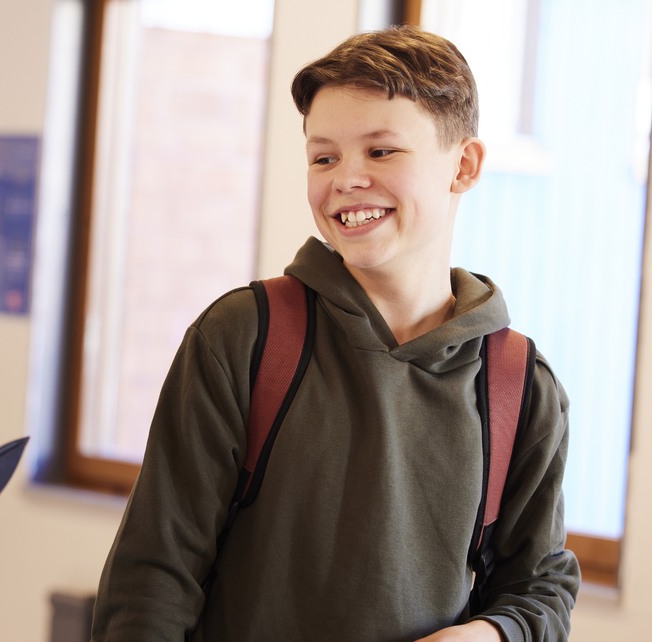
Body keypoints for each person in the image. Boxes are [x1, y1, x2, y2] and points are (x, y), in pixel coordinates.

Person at [92, 26, 579, 642]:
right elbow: (152, 578)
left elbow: (540, 587)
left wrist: (491, 634)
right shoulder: (244, 337)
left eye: (381, 151)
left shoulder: (519, 386)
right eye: (324, 157)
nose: (345, 179)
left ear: (464, 164)